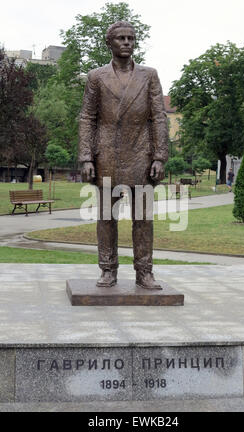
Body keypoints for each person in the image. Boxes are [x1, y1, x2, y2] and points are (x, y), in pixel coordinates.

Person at [78, 21, 169, 290]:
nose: (127, 42)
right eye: (121, 38)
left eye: (131, 38)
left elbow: (158, 118)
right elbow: (87, 117)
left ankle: (144, 272)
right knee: (107, 217)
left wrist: (160, 156)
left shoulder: (149, 75)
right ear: (110, 43)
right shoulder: (96, 77)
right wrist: (86, 157)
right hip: (106, 155)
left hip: (141, 155)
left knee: (143, 219)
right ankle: (108, 269)